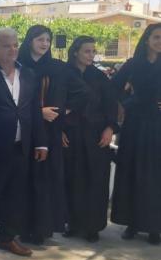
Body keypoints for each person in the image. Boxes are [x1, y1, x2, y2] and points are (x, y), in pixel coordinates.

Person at [0, 28, 48, 260]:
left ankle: (7, 237)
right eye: (6, 46)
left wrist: (41, 142)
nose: (12, 50)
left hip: (21, 146)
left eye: (15, 45)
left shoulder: (29, 74)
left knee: (15, 195)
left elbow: (34, 111)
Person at [18, 25, 88, 244]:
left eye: (47, 40)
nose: (45, 44)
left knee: (45, 180)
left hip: (49, 132)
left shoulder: (57, 67)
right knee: (23, 179)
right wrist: (38, 112)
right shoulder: (18, 65)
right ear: (30, 41)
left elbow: (82, 92)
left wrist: (62, 111)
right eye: (40, 39)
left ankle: (42, 229)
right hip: (23, 130)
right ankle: (20, 226)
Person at [62, 36, 118, 243]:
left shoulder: (100, 77)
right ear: (75, 51)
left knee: (95, 181)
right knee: (72, 180)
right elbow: (57, 103)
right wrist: (59, 130)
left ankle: (93, 226)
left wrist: (110, 129)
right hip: (72, 135)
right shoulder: (64, 74)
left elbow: (111, 105)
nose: (91, 55)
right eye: (87, 51)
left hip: (96, 136)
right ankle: (72, 223)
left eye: (93, 51)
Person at [110, 23, 161, 245]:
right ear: (147, 39)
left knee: (155, 175)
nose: (160, 42)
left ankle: (154, 227)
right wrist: (126, 103)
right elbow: (114, 87)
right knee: (132, 171)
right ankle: (132, 222)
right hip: (135, 124)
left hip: (158, 124)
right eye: (156, 37)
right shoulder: (133, 63)